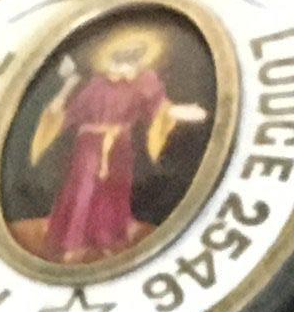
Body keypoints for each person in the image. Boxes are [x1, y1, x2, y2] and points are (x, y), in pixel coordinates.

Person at [22, 21, 207, 263]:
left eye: (132, 63)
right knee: (84, 188)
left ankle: (106, 239)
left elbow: (159, 109)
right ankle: (71, 243)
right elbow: (70, 114)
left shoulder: (145, 82)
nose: (125, 68)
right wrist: (66, 88)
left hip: (120, 145)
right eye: (121, 62)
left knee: (114, 191)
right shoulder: (96, 85)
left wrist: (183, 112)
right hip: (90, 145)